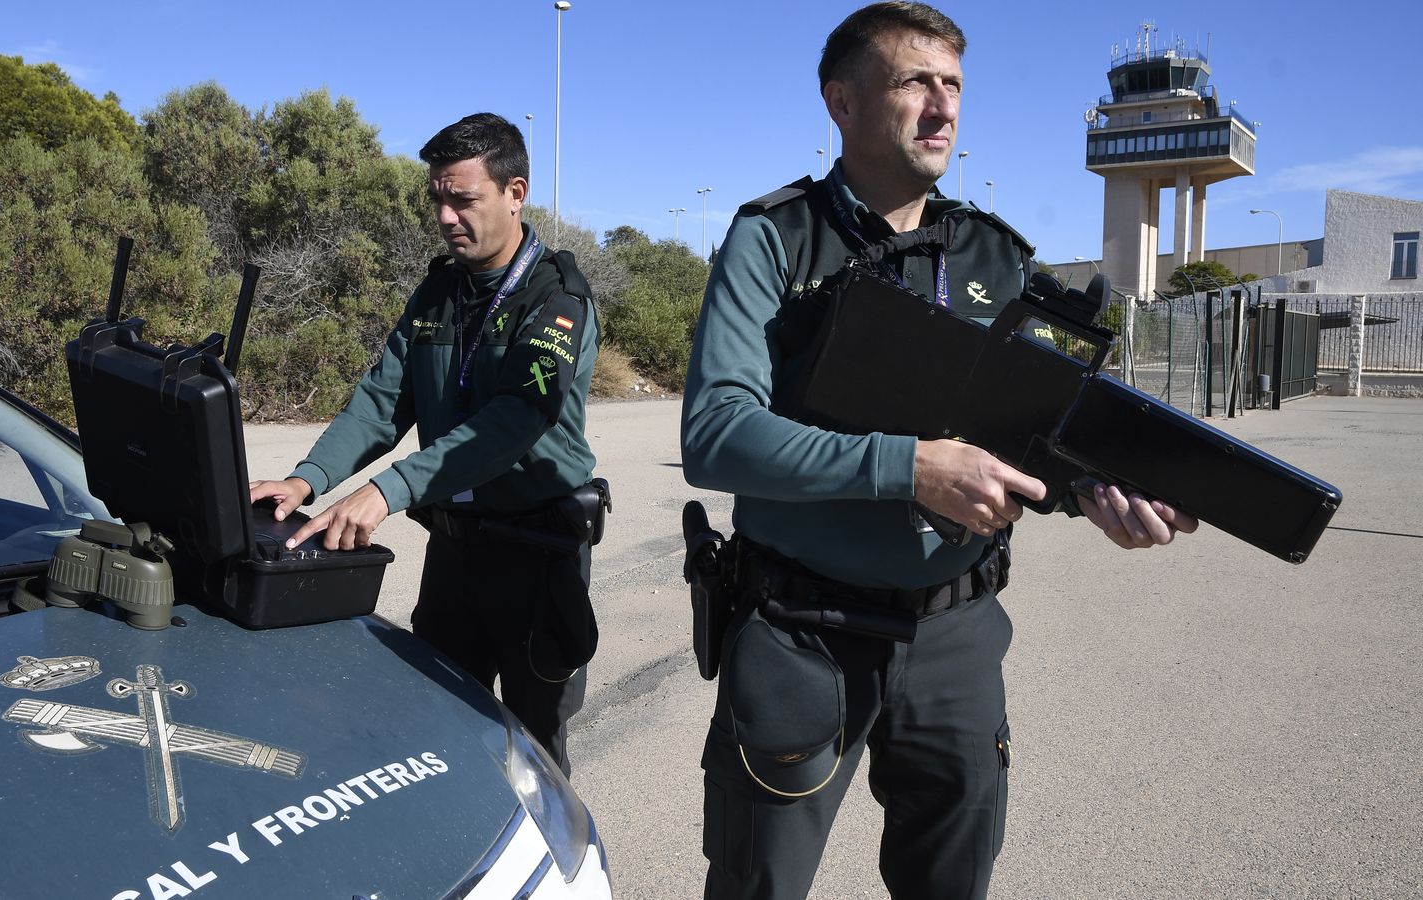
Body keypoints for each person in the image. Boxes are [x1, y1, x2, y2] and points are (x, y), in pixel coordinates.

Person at [679, 4, 1199, 898]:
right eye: (914, 81)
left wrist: (1100, 492)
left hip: (956, 638)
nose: (942, 106)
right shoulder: (774, 240)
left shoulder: (996, 260)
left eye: (953, 85)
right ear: (841, 102)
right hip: (803, 636)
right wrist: (907, 466)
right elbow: (716, 434)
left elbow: (1032, 432)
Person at [250, 112, 601, 774]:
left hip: (538, 560)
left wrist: (388, 490)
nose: (444, 215)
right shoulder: (439, 291)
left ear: (514, 193)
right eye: (436, 198)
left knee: (534, 760)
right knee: (435, 743)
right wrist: (308, 479)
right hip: (456, 558)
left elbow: (519, 416)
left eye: (461, 199)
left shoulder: (555, 296)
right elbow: (383, 400)